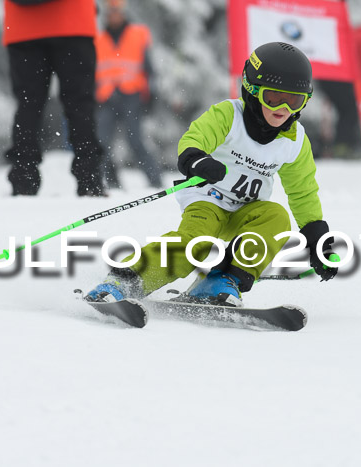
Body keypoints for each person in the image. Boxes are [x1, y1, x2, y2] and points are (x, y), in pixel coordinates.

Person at [85, 42, 338, 307]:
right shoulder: (229, 115)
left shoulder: (295, 141)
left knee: (276, 218)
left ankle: (220, 280)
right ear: (252, 90)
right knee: (196, 243)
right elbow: (195, 138)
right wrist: (198, 160)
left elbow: (303, 190)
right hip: (208, 199)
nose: (283, 107)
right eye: (273, 97)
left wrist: (316, 236)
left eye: (294, 99)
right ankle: (125, 281)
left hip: (246, 210)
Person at [2, 0, 105, 196]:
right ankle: (89, 179)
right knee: (79, 105)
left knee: (28, 105)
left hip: (22, 27)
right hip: (73, 22)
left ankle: (24, 180)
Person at [94, 0, 163, 190]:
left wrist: (152, 95)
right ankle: (112, 182)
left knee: (135, 141)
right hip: (106, 97)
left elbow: (149, 69)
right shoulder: (98, 39)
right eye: (110, 12)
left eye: (117, 11)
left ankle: (155, 180)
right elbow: (92, 72)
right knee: (102, 142)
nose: (114, 15)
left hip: (131, 96)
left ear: (123, 13)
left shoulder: (138, 35)